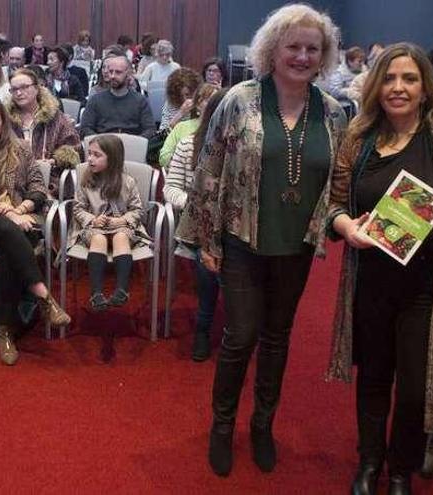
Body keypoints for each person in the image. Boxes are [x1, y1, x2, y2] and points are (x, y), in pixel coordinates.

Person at [175, 3, 348, 477]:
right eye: (293, 46)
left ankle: (263, 426)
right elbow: (208, 169)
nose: (302, 55)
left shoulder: (334, 112)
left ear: (324, 55)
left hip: (297, 246)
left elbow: (340, 181)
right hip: (241, 241)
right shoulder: (239, 99)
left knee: (277, 339)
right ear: (273, 49)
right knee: (240, 336)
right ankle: (222, 426)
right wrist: (204, 239)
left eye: (313, 48)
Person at [326, 43, 433, 495]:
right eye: (390, 79)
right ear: (377, 86)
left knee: (417, 389)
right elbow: (333, 204)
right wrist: (345, 226)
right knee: (374, 378)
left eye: (410, 79)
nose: (398, 88)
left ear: (425, 89)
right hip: (371, 285)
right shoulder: (358, 141)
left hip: (427, 288)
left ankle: (401, 469)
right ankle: (369, 463)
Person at [0, 98, 71, 365]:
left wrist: (22, 209)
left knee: (10, 248)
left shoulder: (21, 148)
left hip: (22, 217)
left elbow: (38, 188)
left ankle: (4, 331)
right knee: (7, 229)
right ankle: (44, 296)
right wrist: (9, 213)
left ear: (3, 121)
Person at [164, 87, 228, 360]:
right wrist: (195, 204)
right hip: (200, 225)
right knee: (207, 266)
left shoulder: (249, 148)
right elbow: (172, 188)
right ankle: (203, 328)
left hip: (234, 226)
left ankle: (235, 330)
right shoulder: (189, 143)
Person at [72, 135, 148, 310]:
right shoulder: (86, 181)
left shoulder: (127, 181)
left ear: (112, 158)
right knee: (98, 239)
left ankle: (122, 289)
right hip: (95, 227)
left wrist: (122, 220)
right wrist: (93, 219)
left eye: (97, 155)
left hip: (121, 225)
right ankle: (96, 293)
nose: (90, 158)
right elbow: (78, 209)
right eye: (89, 154)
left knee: (121, 237)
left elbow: (137, 210)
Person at [6, 68, 82, 197]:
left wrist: (54, 160)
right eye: (14, 89)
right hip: (13, 180)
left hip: (49, 179)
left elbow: (74, 147)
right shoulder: (5, 119)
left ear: (37, 88)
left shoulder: (55, 117)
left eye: (24, 87)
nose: (19, 93)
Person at [80, 56, 155, 138]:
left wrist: (137, 142)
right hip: (102, 145)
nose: (112, 76)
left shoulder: (140, 101)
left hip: (132, 144)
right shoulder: (96, 100)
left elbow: (149, 129)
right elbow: (85, 128)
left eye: (118, 72)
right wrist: (100, 142)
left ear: (128, 74)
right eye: (111, 71)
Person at [159, 83, 219, 168]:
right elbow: (164, 157)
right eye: (208, 100)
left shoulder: (223, 129)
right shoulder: (181, 127)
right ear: (198, 105)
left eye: (216, 101)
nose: (213, 104)